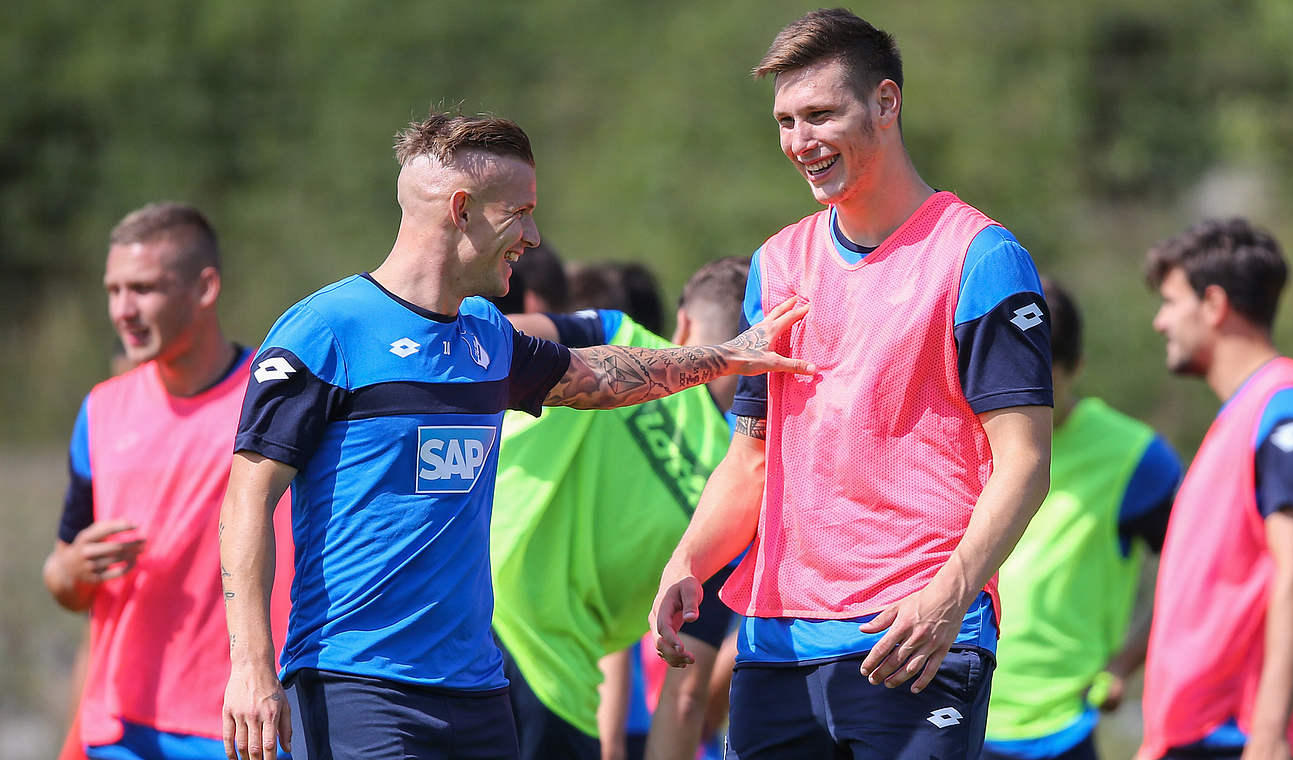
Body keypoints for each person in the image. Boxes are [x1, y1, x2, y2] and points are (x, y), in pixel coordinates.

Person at [217, 111, 811, 760]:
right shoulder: (327, 330)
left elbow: (600, 376)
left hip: (480, 697)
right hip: (357, 686)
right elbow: (248, 497)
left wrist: (726, 357)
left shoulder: (485, 337)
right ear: (461, 209)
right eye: (520, 212)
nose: (532, 235)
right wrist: (251, 664)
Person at [650, 9, 1053, 759]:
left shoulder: (981, 256)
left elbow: (1025, 460)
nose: (800, 142)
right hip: (777, 644)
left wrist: (951, 593)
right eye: (785, 121)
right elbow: (752, 457)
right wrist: (690, 562)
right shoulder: (777, 264)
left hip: (915, 636)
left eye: (821, 114)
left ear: (887, 104)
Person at [41, 202, 293, 760]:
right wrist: (71, 569)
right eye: (113, 290)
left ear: (205, 288)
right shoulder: (102, 410)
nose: (122, 310)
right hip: (120, 726)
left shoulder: (274, 398)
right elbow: (63, 578)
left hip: (237, 721)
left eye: (143, 289)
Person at [492, 256, 749, 760]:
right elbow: (687, 692)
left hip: (461, 615)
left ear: (685, 322)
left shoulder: (615, 337)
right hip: (559, 687)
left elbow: (479, 335)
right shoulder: (740, 488)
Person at [1137, 218, 1293, 760]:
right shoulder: (1241, 419)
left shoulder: (1286, 412)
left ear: (1214, 304)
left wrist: (1270, 736)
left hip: (1238, 736)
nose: (1160, 321)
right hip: (1194, 737)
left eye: (1170, 300)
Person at [982, 277, 1182, 760]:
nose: (1025, 398)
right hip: (959, 703)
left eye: (1042, 382)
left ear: (1077, 368)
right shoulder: (957, 435)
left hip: (1065, 721)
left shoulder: (1134, 457)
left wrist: (1124, 664)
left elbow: (1195, 573)